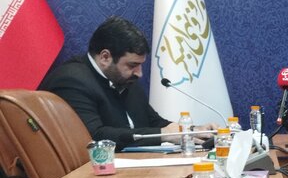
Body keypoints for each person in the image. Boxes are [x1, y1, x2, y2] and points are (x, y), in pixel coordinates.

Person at [39, 16, 193, 150]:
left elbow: (155, 123)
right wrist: (163, 135)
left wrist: (192, 131)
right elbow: (94, 137)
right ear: (105, 57)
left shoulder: (125, 80)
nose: (139, 73)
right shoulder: (71, 81)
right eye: (132, 65)